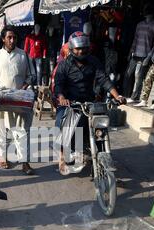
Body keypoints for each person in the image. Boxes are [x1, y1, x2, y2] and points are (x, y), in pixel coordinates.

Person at [54, 32, 126, 175]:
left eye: (84, 48)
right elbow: (58, 85)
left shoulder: (94, 61)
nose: (81, 51)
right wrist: (62, 97)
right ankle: (62, 157)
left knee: (100, 127)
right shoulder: (64, 65)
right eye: (78, 49)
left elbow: (104, 80)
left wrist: (117, 96)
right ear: (72, 49)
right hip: (70, 103)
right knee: (60, 123)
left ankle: (101, 157)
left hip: (89, 102)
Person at [0, 25, 36, 175]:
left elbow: (31, 76)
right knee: (1, 129)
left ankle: (25, 162)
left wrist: (24, 87)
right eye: (9, 37)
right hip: (1, 99)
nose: (12, 40)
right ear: (3, 39)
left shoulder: (23, 55)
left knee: (23, 130)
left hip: (20, 100)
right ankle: (2, 157)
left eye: (14, 37)